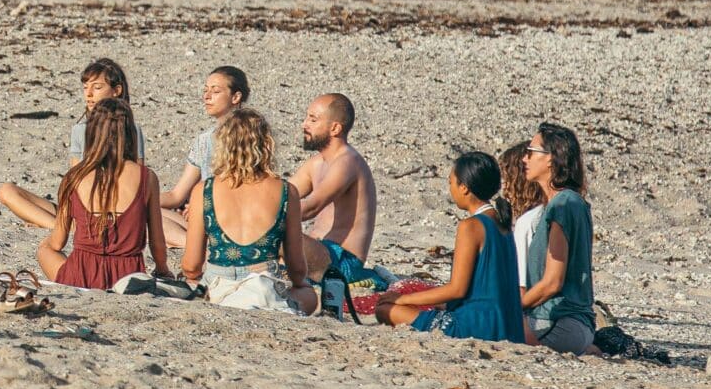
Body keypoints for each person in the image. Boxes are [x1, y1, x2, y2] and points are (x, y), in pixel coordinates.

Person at [375, 152, 522, 341]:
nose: (450, 189)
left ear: (464, 187)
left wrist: (402, 299)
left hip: (477, 325)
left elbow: (457, 289)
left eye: (451, 182)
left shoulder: (471, 226)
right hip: (508, 324)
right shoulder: (503, 224)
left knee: (385, 310)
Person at [177, 108, 309, 313]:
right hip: (265, 284)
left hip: (218, 286)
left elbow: (191, 266)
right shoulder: (286, 191)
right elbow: (298, 271)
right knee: (307, 294)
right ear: (266, 144)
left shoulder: (204, 190)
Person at [38, 99, 168, 289]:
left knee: (45, 249)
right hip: (128, 278)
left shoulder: (74, 177)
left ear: (91, 134)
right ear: (130, 134)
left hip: (81, 275)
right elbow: (157, 243)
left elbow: (57, 243)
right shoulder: (146, 178)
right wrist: (162, 269)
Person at [0, 55, 134, 229]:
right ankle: (61, 226)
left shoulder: (130, 131)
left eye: (97, 87)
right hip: (79, 207)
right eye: (85, 87)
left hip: (112, 209)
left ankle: (61, 227)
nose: (89, 94)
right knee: (6, 190)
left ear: (117, 91)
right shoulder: (80, 130)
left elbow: (136, 179)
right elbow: (75, 178)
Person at [519, 123, 596, 354]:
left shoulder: (562, 206)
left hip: (558, 321)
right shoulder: (569, 203)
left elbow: (552, 282)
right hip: (576, 324)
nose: (525, 159)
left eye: (531, 152)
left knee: (484, 327)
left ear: (551, 158)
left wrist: (512, 307)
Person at [160, 65, 251, 248]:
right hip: (205, 218)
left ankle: (196, 246)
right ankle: (197, 244)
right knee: (144, 211)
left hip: (239, 220)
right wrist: (135, 199)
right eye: (205, 90)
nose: (207, 96)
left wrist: (201, 206)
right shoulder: (203, 140)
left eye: (215, 91)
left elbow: (247, 193)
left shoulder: (252, 136)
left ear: (236, 97)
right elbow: (177, 195)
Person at [290, 92, 377, 269]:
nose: (304, 125)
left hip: (343, 260)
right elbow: (283, 194)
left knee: (278, 234)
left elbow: (311, 207)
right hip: (319, 250)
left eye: (313, 120)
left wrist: (267, 218)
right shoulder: (316, 163)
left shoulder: (348, 162)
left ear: (335, 128)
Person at [497, 137, 547, 285]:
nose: (505, 188)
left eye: (508, 178)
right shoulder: (553, 211)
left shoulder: (527, 223)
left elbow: (521, 284)